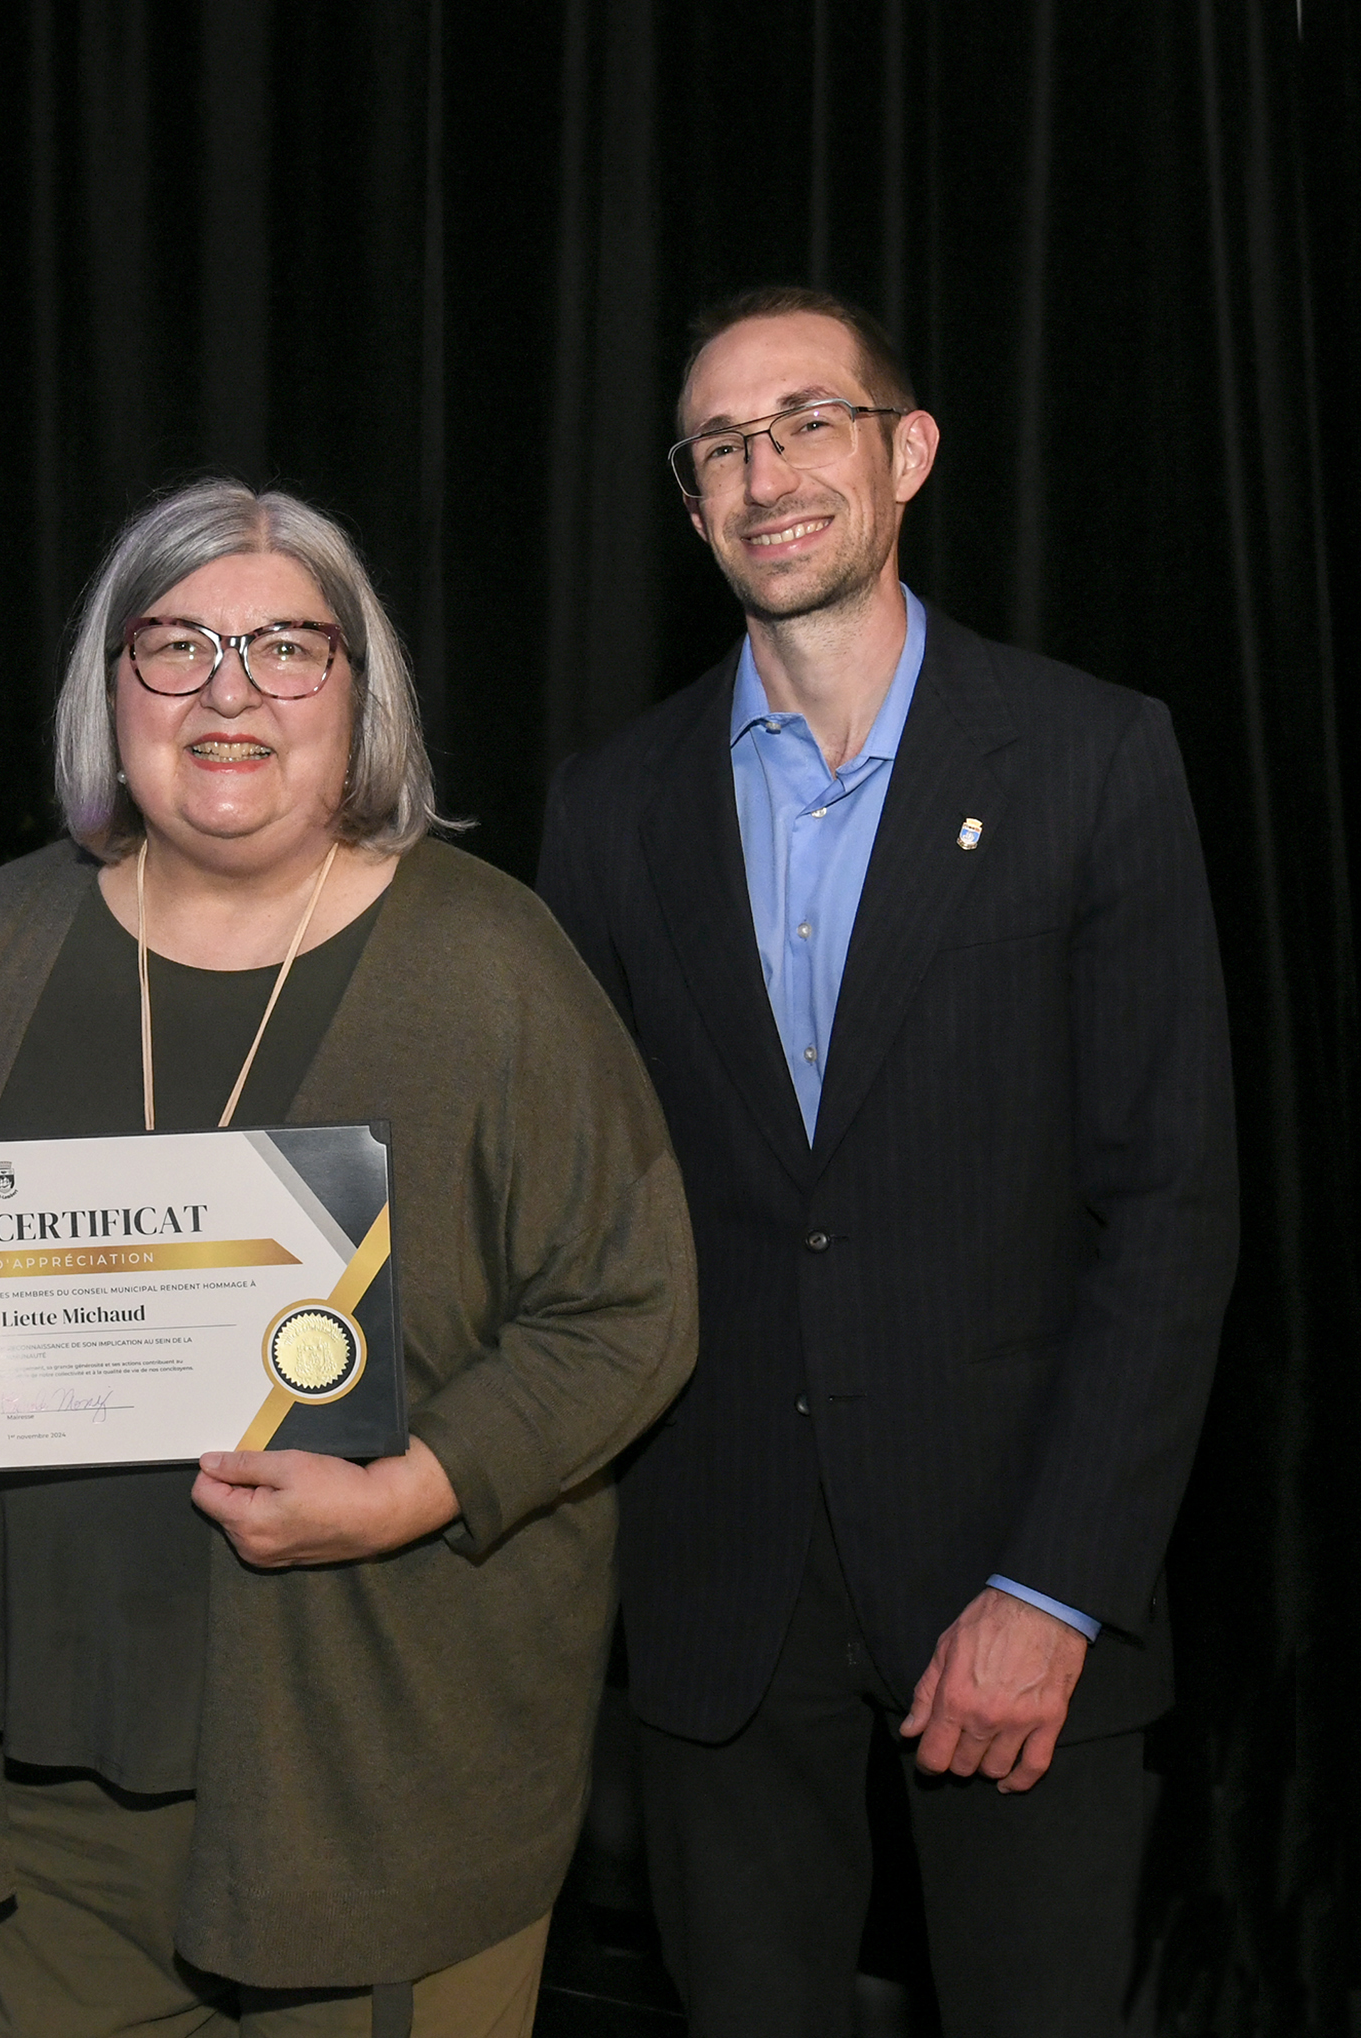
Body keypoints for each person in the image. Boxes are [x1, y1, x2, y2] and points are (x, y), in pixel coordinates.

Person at [0, 478, 698, 2036]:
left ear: (360, 700)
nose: (228, 691)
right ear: (114, 689)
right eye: (175, 645)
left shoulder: (488, 959)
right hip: (43, 1806)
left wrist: (417, 1486)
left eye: (288, 647)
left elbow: (632, 1303)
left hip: (377, 1789)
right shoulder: (8, 934)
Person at [536, 286, 1240, 2033]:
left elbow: (1172, 1205)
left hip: (1018, 1583)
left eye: (806, 423)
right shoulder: (610, 810)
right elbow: (567, 1207)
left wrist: (1060, 1581)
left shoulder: (1092, 758)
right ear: (689, 500)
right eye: (721, 445)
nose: (766, 472)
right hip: (722, 1598)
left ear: (906, 451)